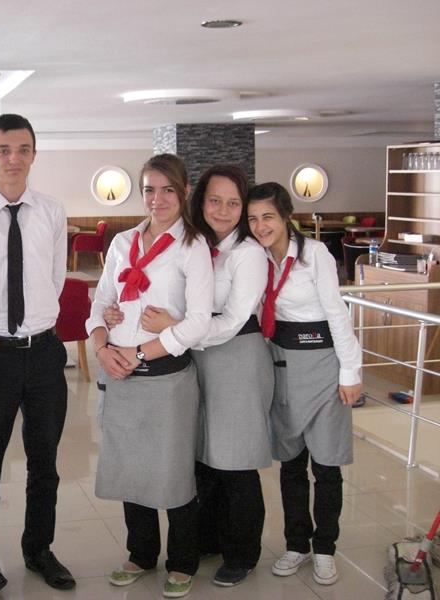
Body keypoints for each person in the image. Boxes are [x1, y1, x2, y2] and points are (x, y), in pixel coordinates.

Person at [103, 165, 272, 587]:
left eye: (233, 203)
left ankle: (241, 554)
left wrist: (174, 328)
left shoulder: (246, 253)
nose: (222, 210)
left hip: (234, 357)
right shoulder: (198, 243)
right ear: (200, 199)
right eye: (215, 200)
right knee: (200, 458)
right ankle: (207, 540)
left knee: (234, 460)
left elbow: (230, 322)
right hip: (194, 357)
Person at [86, 153, 212, 598]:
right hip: (121, 374)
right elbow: (100, 303)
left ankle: (182, 561)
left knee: (173, 472)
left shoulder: (193, 247)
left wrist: (137, 351)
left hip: (166, 378)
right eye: (149, 190)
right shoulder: (123, 242)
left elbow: (198, 323)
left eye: (167, 190)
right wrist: (102, 347)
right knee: (131, 469)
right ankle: (140, 554)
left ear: (184, 192)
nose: (157, 199)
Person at [0, 114, 74, 595]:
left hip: (44, 352)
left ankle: (39, 549)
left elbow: (55, 278)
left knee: (44, 462)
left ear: (33, 154)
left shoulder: (51, 211)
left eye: (23, 149)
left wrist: (35, 325)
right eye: (3, 150)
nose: (13, 159)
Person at [246, 181, 362, 586]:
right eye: (253, 219)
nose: (261, 226)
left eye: (268, 217)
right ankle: (297, 544)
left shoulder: (314, 255)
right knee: (291, 464)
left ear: (286, 216)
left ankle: (325, 548)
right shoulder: (255, 256)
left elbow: (337, 313)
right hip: (281, 363)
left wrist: (350, 372)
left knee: (326, 465)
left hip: (324, 363)